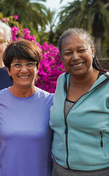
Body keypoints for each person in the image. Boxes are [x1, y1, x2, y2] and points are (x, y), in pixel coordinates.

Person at [50, 28, 109, 176]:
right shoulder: (61, 81)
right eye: (68, 53)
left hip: (99, 171)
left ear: (92, 51)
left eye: (81, 50)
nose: (75, 57)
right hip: (60, 170)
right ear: (62, 57)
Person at [0, 39, 54, 175]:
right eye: (17, 65)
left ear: (37, 68)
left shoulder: (51, 102)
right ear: (8, 70)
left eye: (30, 64)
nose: (24, 70)